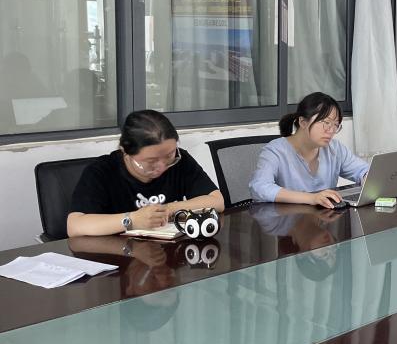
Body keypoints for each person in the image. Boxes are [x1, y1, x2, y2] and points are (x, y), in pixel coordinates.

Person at [67, 110, 224, 237]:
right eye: (151, 161)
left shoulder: (181, 160)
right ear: (125, 151)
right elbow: (75, 226)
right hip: (119, 257)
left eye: (169, 156)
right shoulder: (101, 171)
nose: (162, 167)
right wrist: (132, 219)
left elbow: (217, 201)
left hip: (168, 254)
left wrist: (170, 208)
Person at [249, 92, 369, 208]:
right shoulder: (276, 151)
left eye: (336, 125)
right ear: (303, 122)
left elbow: (363, 170)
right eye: (326, 122)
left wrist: (367, 178)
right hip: (286, 219)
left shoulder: (334, 148)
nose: (331, 130)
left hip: (324, 217)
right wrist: (311, 198)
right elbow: (260, 187)